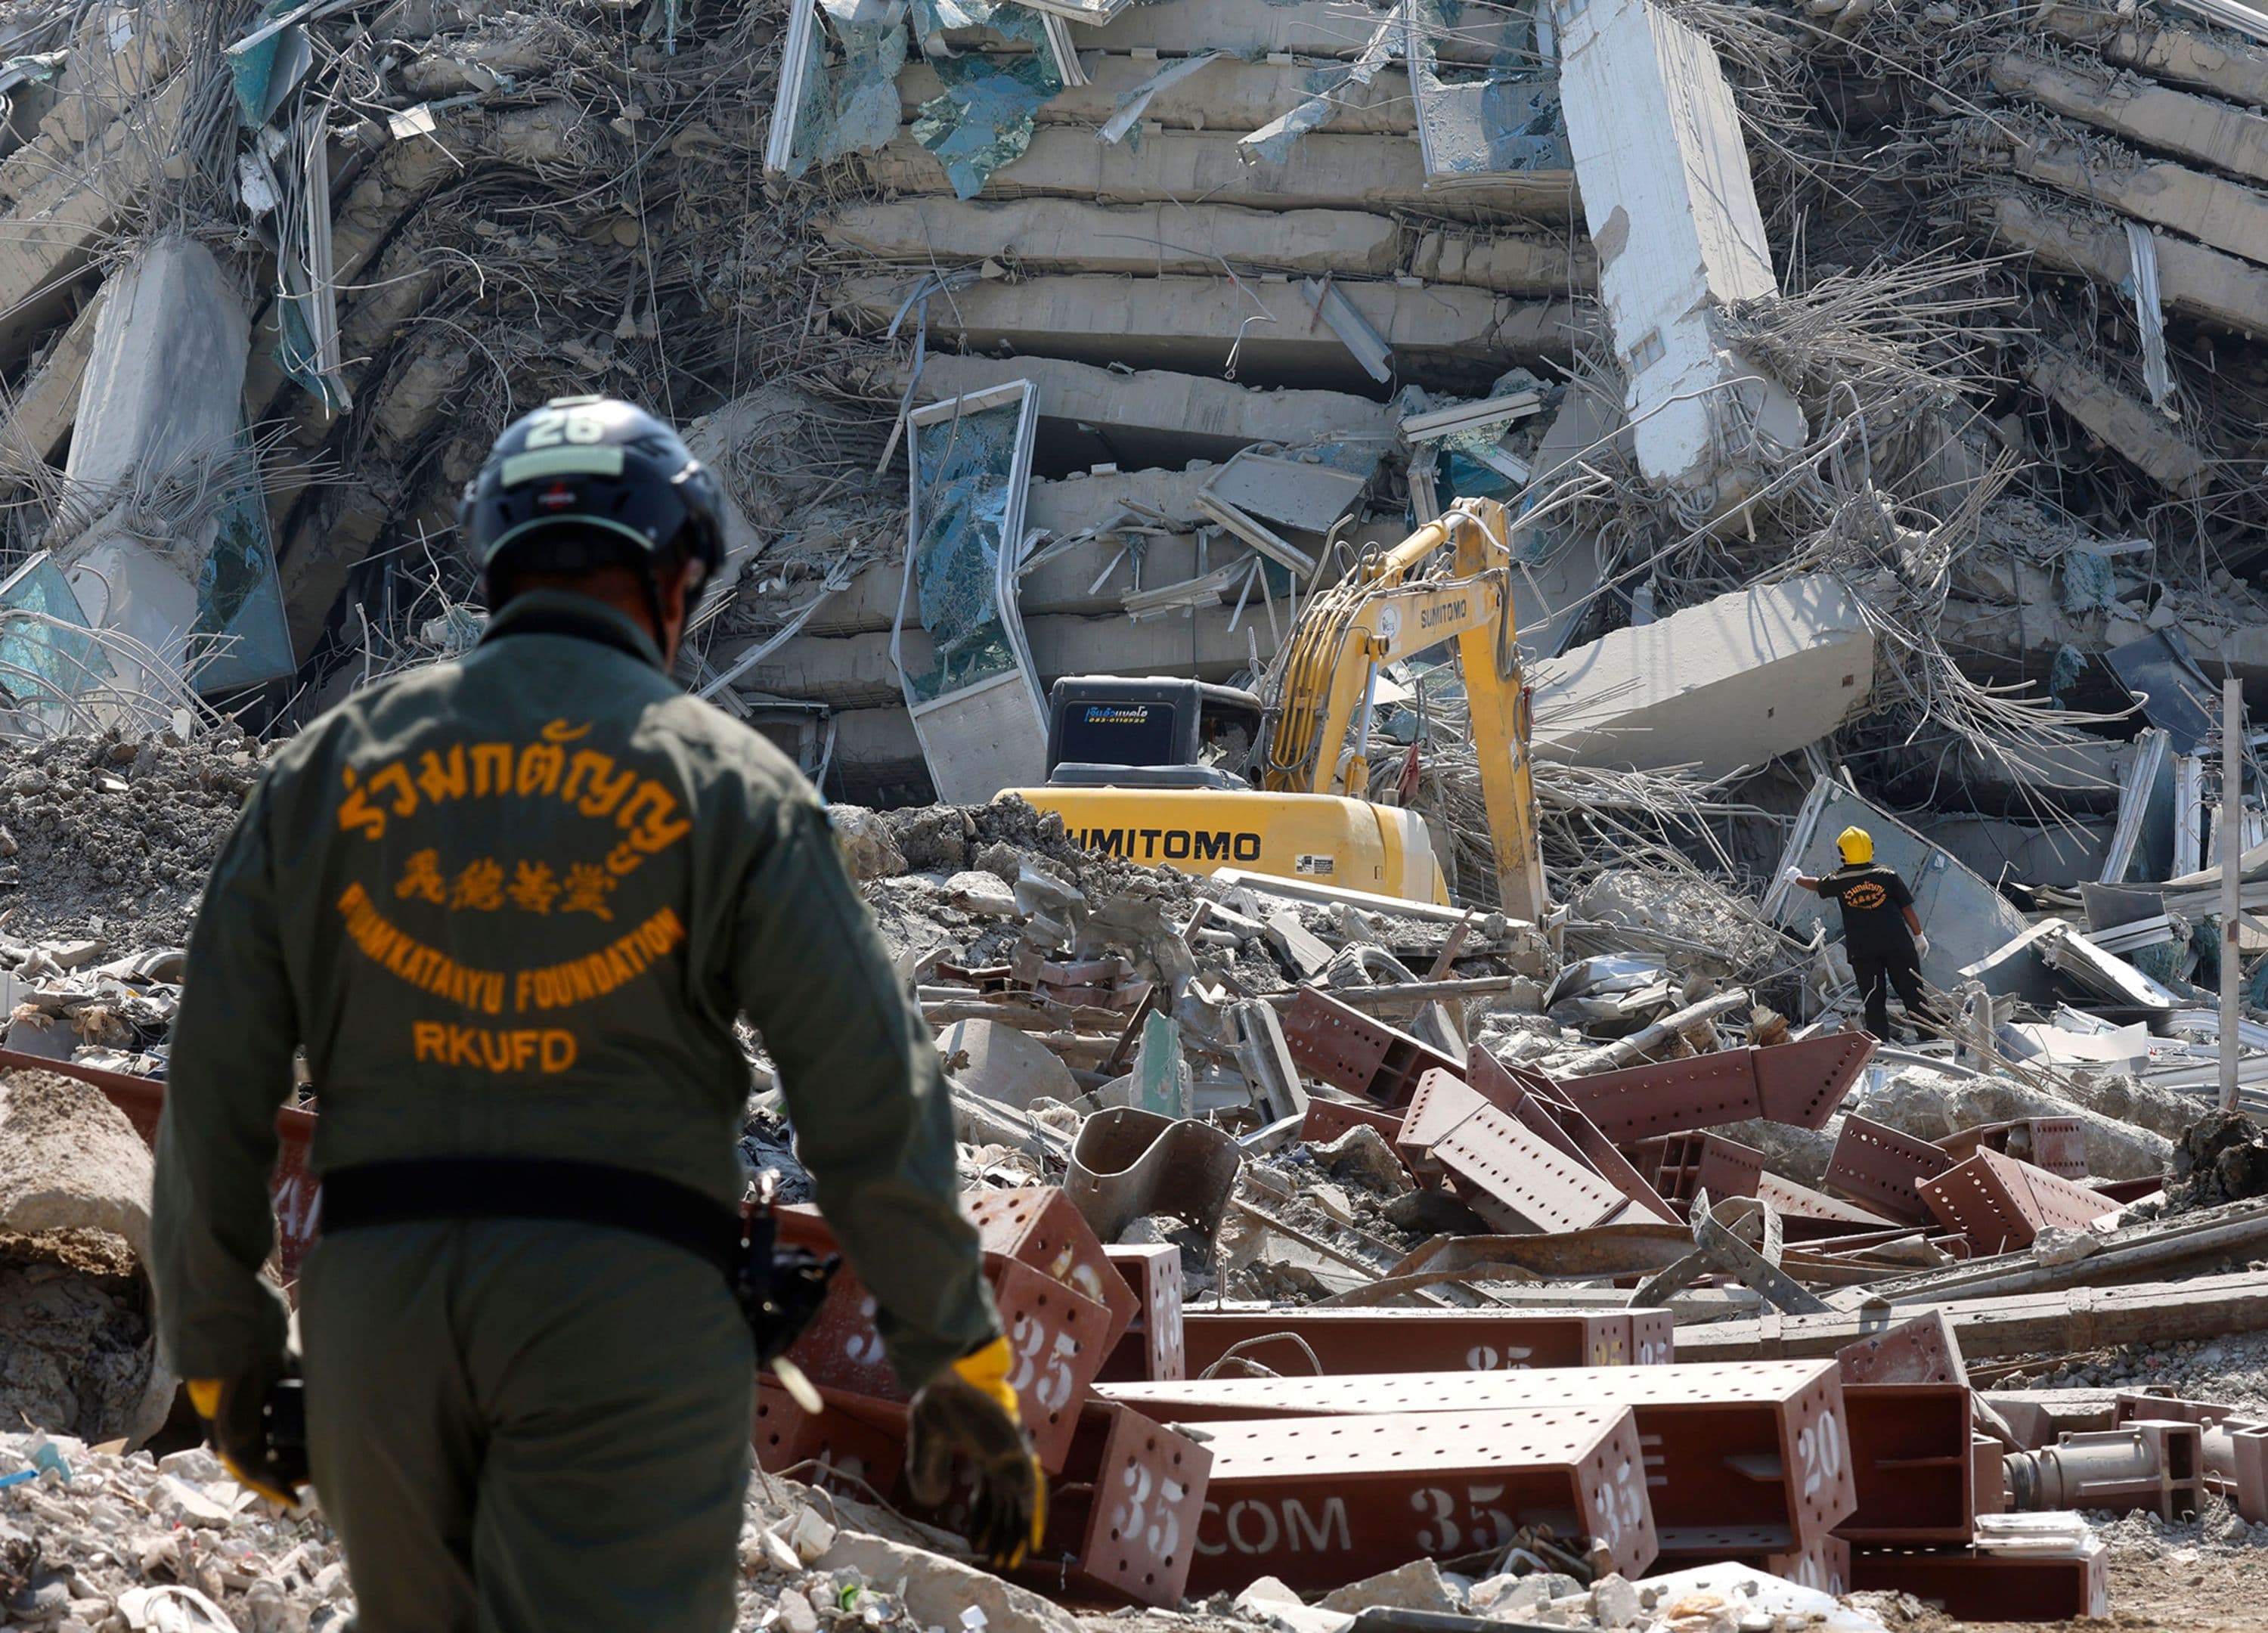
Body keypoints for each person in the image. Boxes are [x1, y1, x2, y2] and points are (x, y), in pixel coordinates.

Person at [148, 396, 1043, 1633]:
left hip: (378, 1318)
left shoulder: (327, 771)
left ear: (499, 565)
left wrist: (223, 1346)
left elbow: (215, 1079)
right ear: (677, 581)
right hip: (621, 1316)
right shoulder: (728, 786)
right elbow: (868, 1093)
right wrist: (956, 1355)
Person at [1786, 825, 1937, 1043]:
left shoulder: (1839, 880)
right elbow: (1907, 909)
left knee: (1873, 1000)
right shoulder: (1888, 875)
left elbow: (1817, 886)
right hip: (1898, 945)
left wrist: (1796, 878)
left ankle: (1879, 1047)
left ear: (1842, 853)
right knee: (1914, 995)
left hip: (1864, 949)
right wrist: (1919, 935)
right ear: (1871, 849)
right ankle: (1931, 1041)